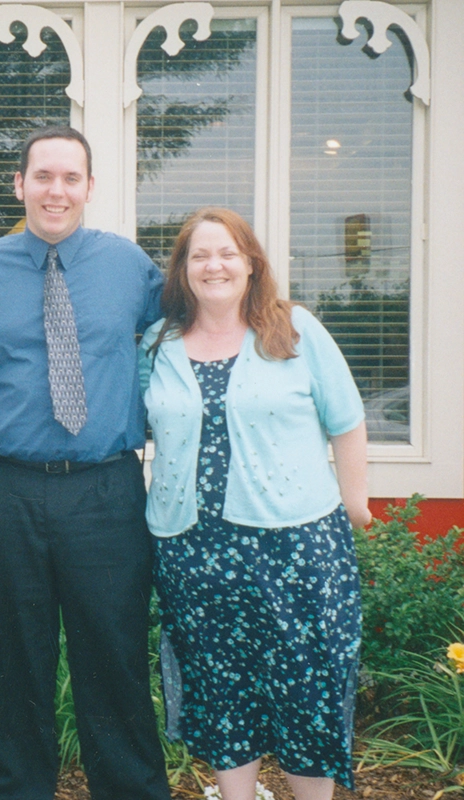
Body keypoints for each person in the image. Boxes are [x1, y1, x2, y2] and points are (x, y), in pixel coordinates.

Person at [0, 125, 171, 800]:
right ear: (20, 184)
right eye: (43, 176)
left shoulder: (129, 267)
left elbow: (183, 339)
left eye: (71, 178)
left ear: (90, 188)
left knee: (114, 660)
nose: (56, 190)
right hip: (5, 491)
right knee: (11, 666)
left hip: (106, 491)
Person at [138, 207, 370, 800]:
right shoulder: (158, 344)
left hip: (294, 544)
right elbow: (138, 430)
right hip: (192, 549)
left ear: (250, 263)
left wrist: (355, 502)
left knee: (304, 687)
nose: (214, 265)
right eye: (199, 255)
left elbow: (345, 420)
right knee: (220, 688)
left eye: (227, 253)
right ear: (182, 270)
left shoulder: (294, 329)